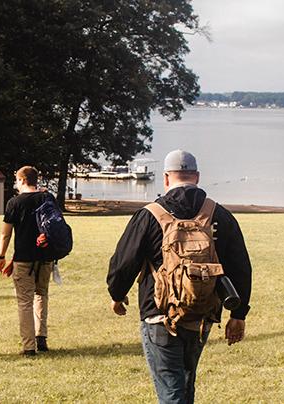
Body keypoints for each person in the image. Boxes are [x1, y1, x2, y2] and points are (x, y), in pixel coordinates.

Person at [107, 150, 252, 404]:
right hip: (202, 314)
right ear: (196, 177)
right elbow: (240, 268)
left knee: (171, 391)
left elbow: (123, 263)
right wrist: (238, 315)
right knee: (185, 384)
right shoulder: (219, 215)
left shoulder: (149, 215)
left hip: (159, 314)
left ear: (165, 178)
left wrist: (117, 296)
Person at [0, 166, 55, 356]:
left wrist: (1, 256)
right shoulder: (48, 198)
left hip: (23, 259)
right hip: (46, 257)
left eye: (16, 181)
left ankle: (29, 347)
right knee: (42, 295)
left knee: (24, 302)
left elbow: (6, 234)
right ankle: (41, 338)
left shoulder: (15, 202)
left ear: (21, 180)